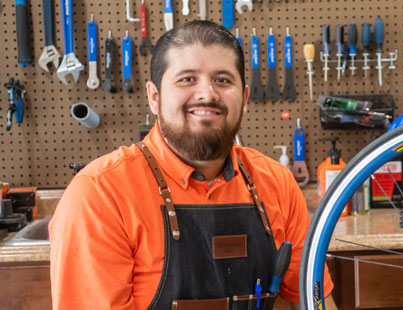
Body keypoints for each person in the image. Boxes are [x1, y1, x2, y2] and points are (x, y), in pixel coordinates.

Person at [49, 20, 336, 310]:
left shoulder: (277, 184)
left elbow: (314, 302)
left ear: (245, 98)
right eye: (187, 79)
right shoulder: (100, 195)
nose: (207, 94)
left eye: (222, 80)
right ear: (154, 97)